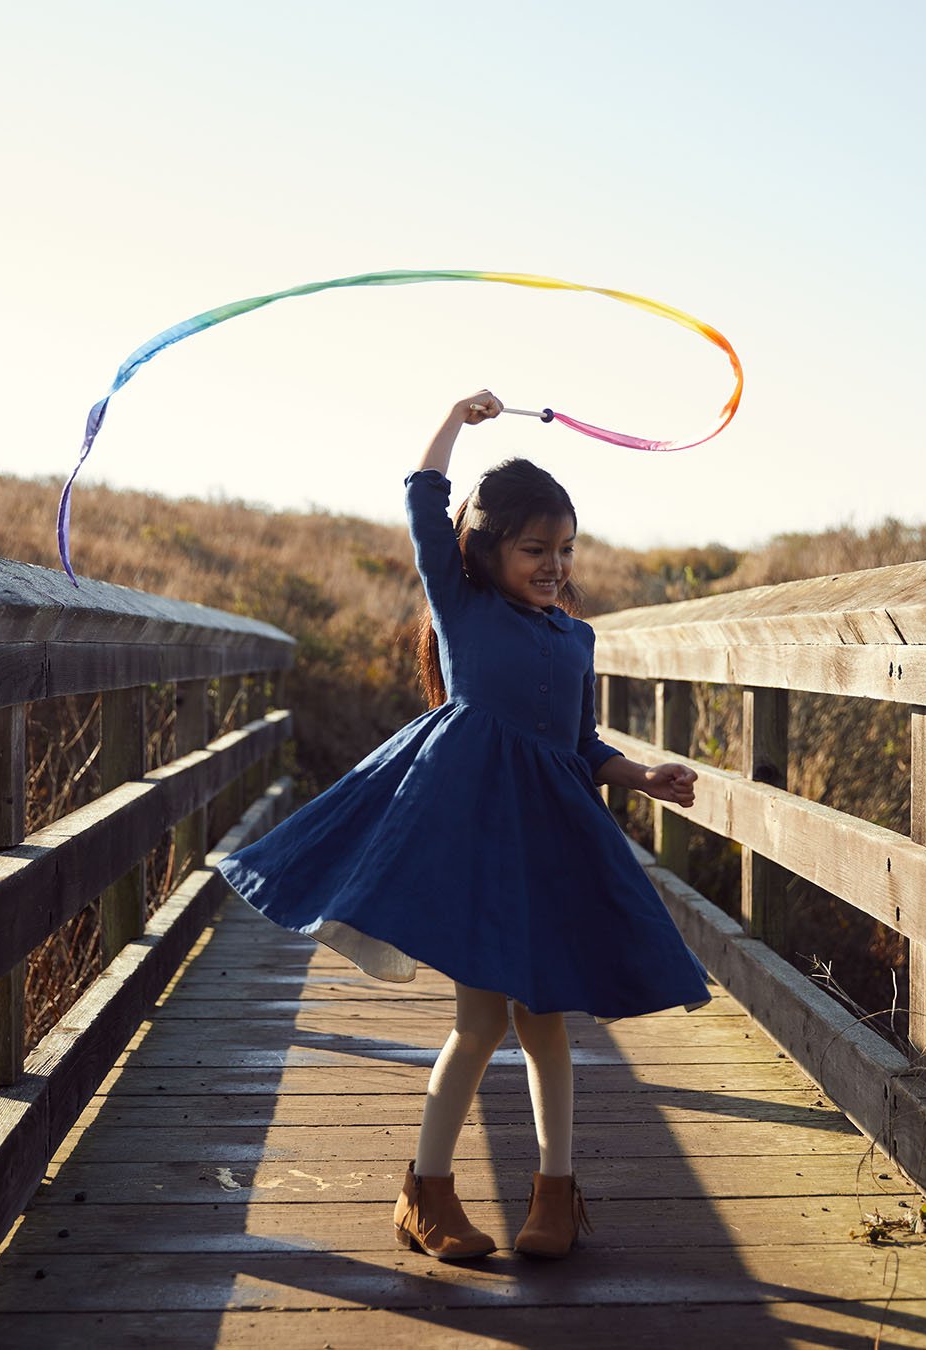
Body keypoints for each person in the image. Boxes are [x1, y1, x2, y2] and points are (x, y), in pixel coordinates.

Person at [217, 390, 710, 1262]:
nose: (554, 565)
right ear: (482, 553)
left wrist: (641, 776)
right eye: (534, 550)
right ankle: (427, 1192)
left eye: (565, 549)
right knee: (480, 1025)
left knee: (546, 1021)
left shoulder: (575, 637)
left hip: (552, 849)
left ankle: (555, 1194)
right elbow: (420, 495)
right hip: (480, 849)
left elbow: (581, 744)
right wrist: (453, 417)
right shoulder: (464, 607)